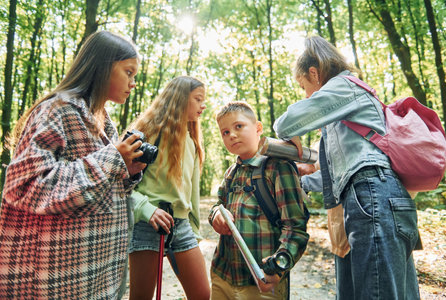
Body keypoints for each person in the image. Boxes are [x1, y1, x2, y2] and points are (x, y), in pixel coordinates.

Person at [0, 31, 146, 299]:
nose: (133, 83)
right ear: (102, 68)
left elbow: (93, 190)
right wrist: (113, 159)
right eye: (128, 72)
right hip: (57, 278)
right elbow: (24, 186)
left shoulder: (104, 121)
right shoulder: (58, 110)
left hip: (95, 274)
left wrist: (127, 171)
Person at [274, 36, 421, 299]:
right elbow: (337, 175)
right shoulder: (344, 109)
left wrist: (287, 130)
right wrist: (301, 183)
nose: (306, 94)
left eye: (304, 86)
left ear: (314, 73)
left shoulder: (343, 87)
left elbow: (286, 123)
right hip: (380, 196)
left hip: (373, 195)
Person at [209, 101, 309, 300]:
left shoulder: (278, 166)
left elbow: (295, 227)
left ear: (258, 128)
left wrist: (279, 268)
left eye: (238, 126)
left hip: (263, 281)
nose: (232, 135)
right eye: (225, 132)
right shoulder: (231, 173)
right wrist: (216, 216)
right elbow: (217, 206)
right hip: (223, 276)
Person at [127, 76, 210, 300]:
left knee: (202, 294)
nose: (203, 105)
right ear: (180, 99)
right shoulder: (148, 133)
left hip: (181, 226)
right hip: (148, 222)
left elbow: (190, 194)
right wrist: (146, 209)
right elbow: (121, 185)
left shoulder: (192, 141)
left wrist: (194, 230)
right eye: (198, 99)